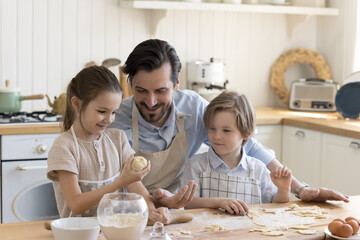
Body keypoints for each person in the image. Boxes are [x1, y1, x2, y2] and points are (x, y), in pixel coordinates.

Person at [111, 39, 349, 209]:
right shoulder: (118, 118)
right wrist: (152, 207)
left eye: (160, 91)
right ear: (130, 83)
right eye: (141, 90)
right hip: (132, 206)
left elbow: (252, 148)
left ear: (176, 84)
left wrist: (301, 189)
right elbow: (128, 179)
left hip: (176, 204)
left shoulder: (193, 107)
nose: (150, 101)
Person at [47, 66, 170, 224]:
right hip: (78, 233)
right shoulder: (64, 146)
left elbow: (134, 184)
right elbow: (76, 204)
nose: (109, 119)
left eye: (114, 112)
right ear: (76, 104)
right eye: (102, 111)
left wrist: (152, 212)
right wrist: (120, 182)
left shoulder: (117, 139)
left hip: (115, 230)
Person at [182, 91, 292, 215]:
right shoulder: (196, 165)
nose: (217, 136)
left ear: (246, 133)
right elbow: (189, 204)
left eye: (226, 130)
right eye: (212, 128)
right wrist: (219, 203)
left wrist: (283, 190)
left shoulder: (258, 170)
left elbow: (274, 206)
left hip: (249, 233)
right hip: (209, 233)